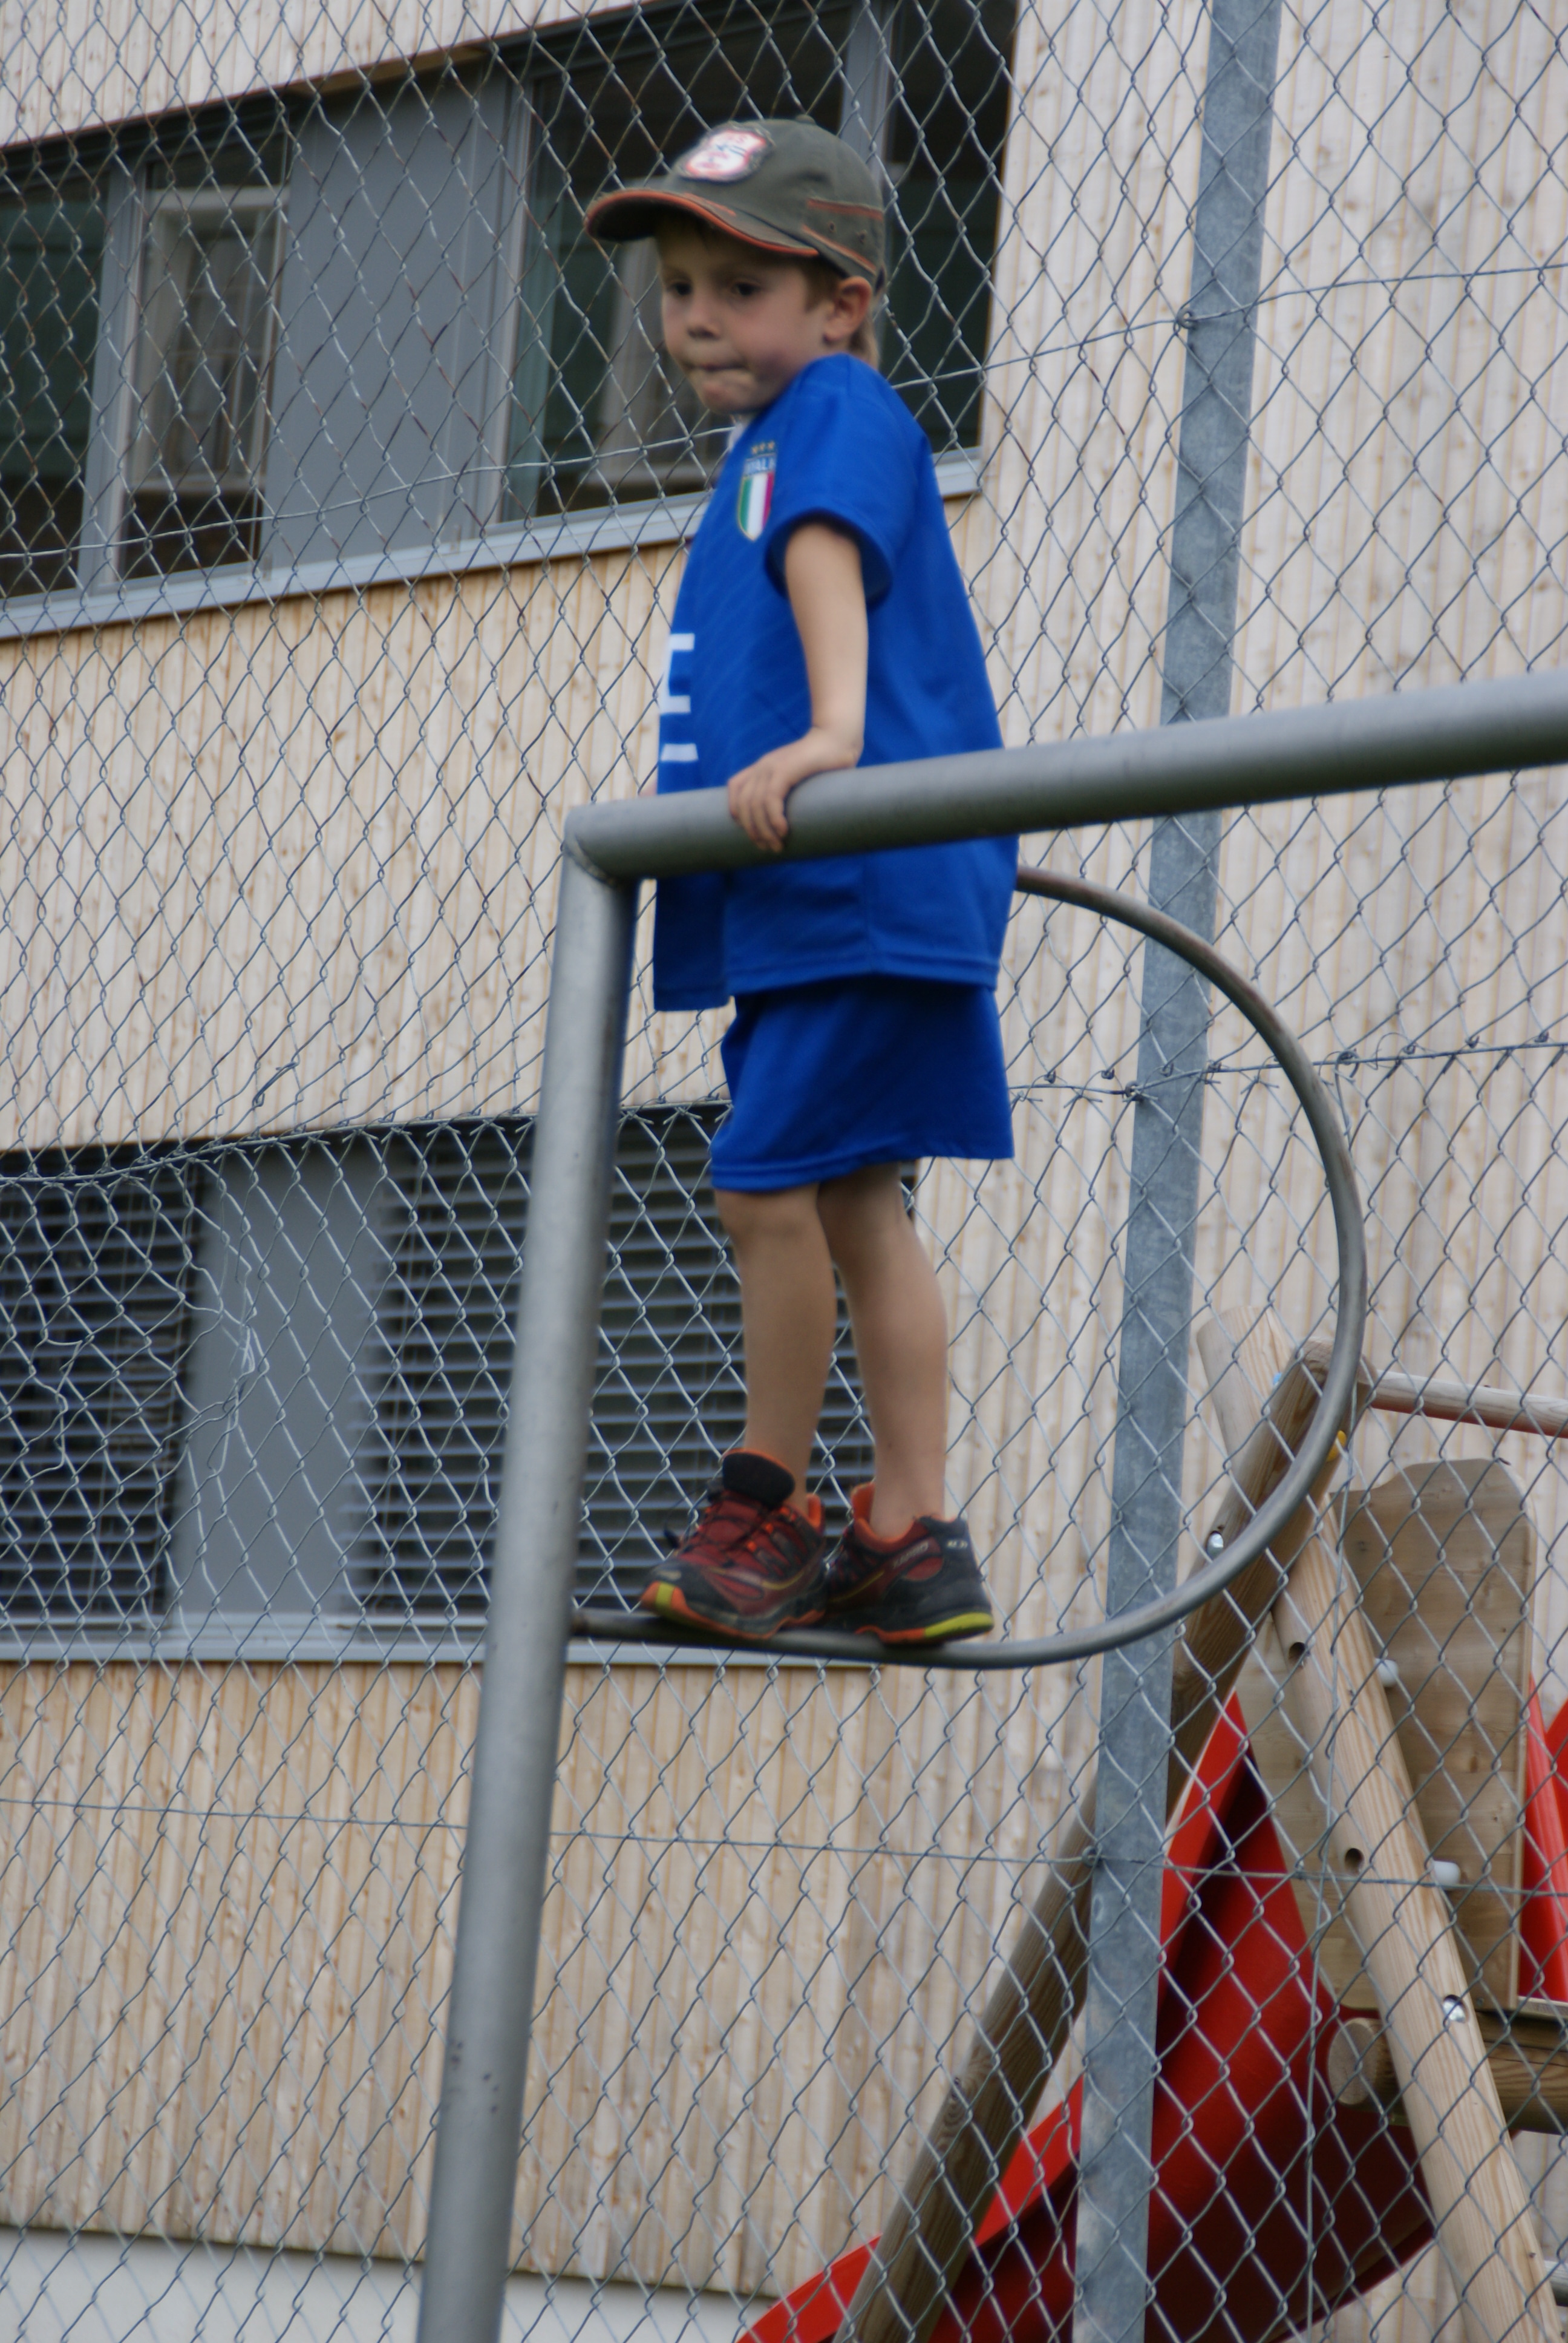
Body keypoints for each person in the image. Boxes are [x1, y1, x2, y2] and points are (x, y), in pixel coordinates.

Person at [586, 117, 1016, 1645]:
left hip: (857, 888)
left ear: (841, 303)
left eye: (740, 287)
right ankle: (908, 1533)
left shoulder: (832, 412)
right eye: (679, 287)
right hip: (815, 901)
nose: (697, 316)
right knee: (853, 1199)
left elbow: (828, 559)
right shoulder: (761, 445)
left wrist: (835, 732)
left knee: (763, 1182)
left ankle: (770, 1499)